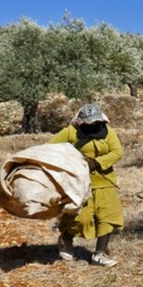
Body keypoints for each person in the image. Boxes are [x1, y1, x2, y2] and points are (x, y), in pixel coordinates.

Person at [47, 103, 124, 267]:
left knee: (108, 217)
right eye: (89, 123)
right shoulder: (70, 132)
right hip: (79, 183)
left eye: (96, 122)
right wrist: (73, 162)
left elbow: (117, 152)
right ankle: (66, 238)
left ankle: (99, 255)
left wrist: (97, 163)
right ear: (81, 121)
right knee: (80, 218)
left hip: (105, 182)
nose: (94, 125)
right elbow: (49, 150)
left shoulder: (108, 132)